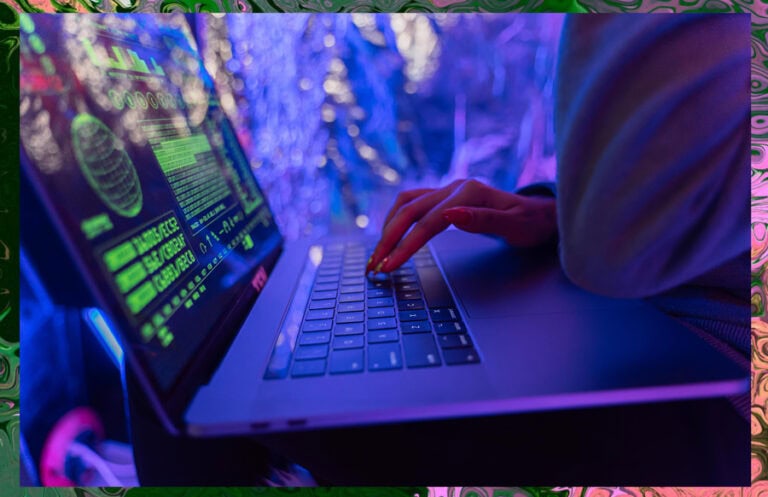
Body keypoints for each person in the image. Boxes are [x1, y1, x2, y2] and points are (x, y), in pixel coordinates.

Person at [366, 14, 751, 371]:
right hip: (648, 313)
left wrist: (598, 226)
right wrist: (556, 213)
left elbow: (615, 256)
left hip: (728, 358)